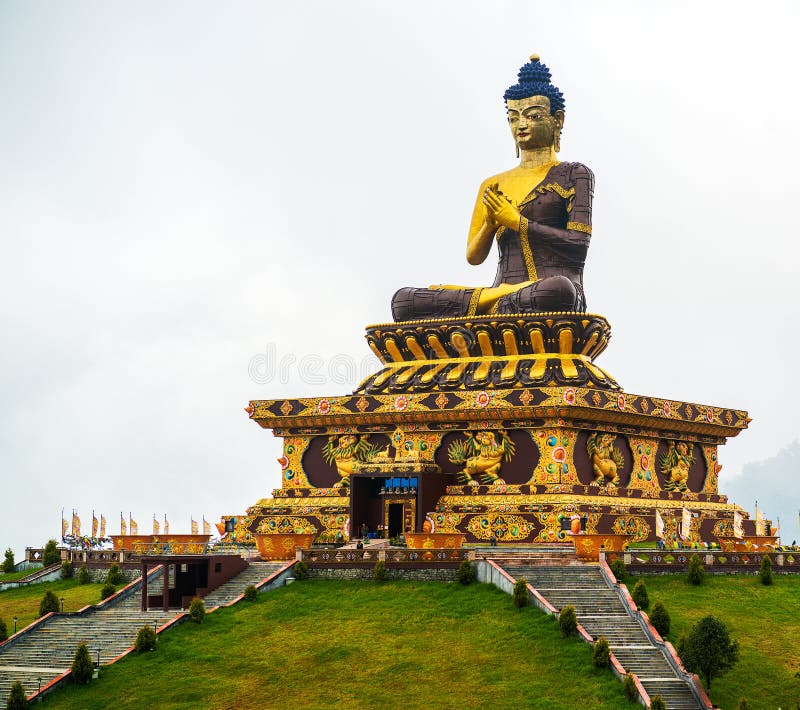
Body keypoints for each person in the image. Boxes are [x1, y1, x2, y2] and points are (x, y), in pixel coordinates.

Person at [391, 55, 593, 321]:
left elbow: (578, 245)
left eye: (533, 116)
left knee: (559, 291)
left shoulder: (574, 174)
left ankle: (486, 303)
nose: (521, 125)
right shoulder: (493, 184)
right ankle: (494, 299)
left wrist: (517, 222)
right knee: (402, 301)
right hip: (508, 293)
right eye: (513, 117)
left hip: (549, 292)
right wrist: (490, 224)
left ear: (558, 120)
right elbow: (473, 257)